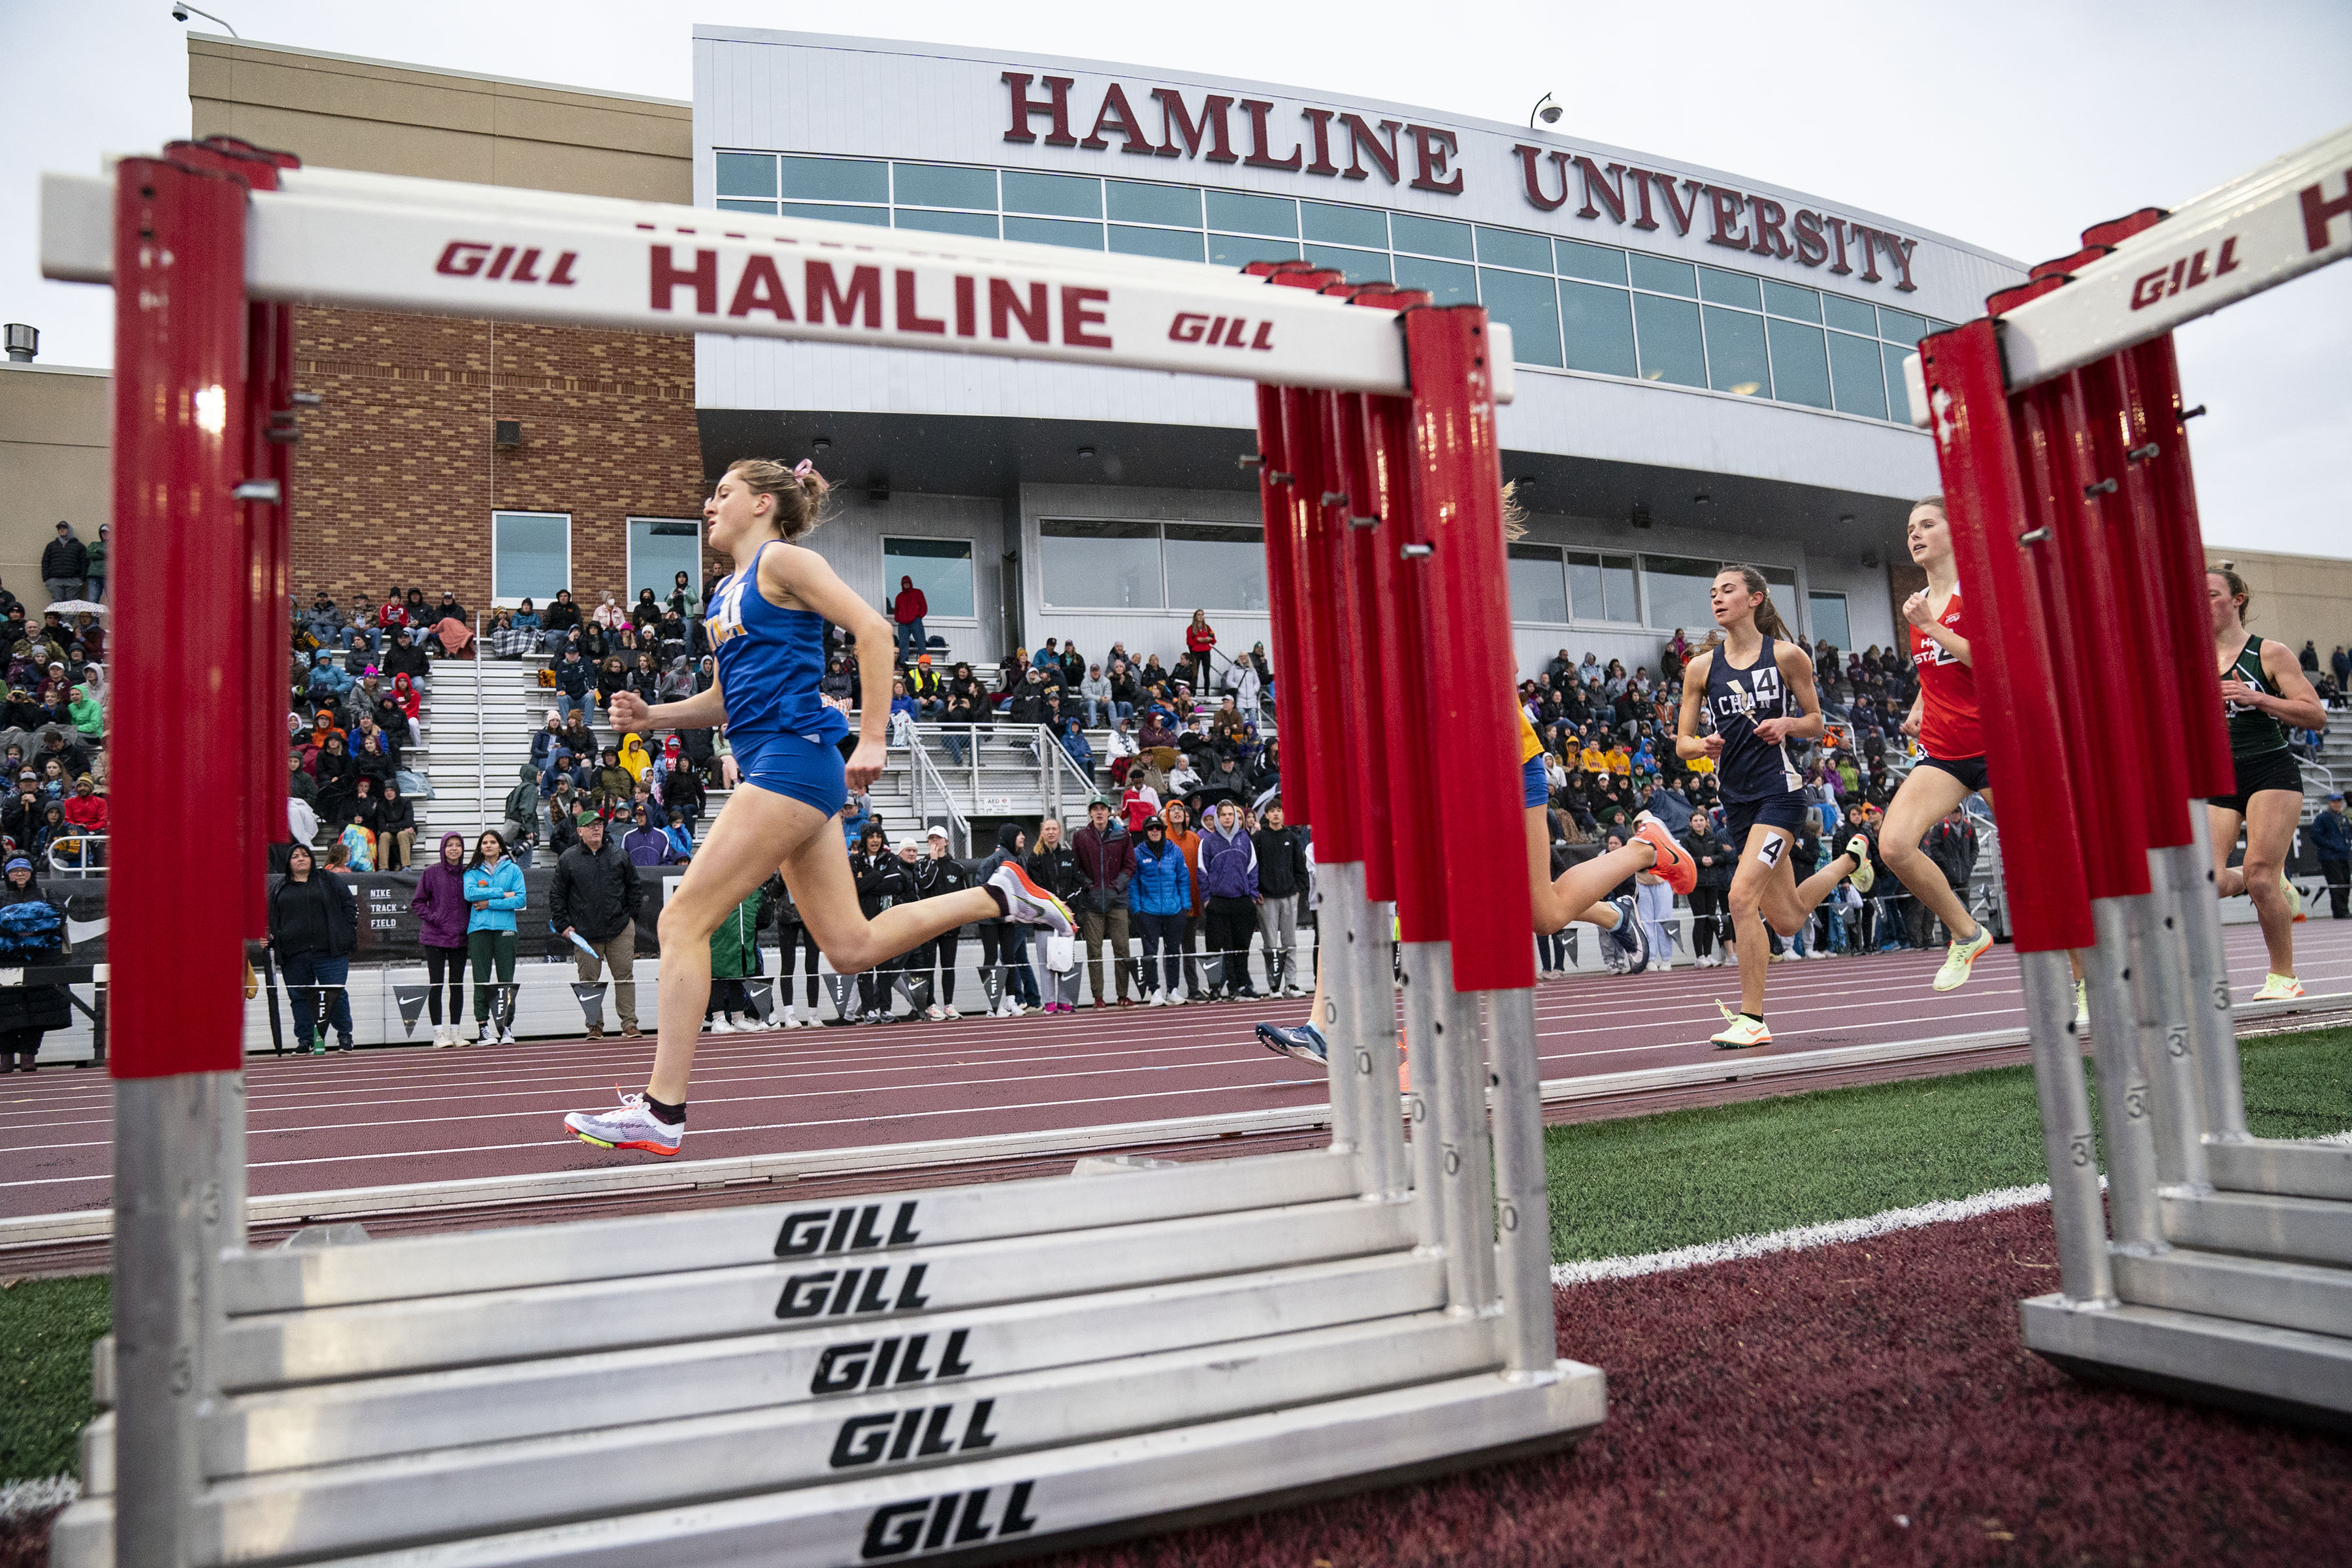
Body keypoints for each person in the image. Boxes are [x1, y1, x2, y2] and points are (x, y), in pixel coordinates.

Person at [564, 460, 1070, 1156]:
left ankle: (662, 1109)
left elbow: (873, 631)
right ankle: (996, 895)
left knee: (684, 919)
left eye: (723, 494)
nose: (709, 507)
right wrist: (653, 715)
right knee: (851, 947)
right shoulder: (723, 596)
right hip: (789, 764)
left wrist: (871, 735)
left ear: (763, 504)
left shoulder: (785, 561)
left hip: (793, 759)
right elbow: (723, 699)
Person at [1675, 565, 1873, 1049]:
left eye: (1728, 590)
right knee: (1786, 919)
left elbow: (1816, 722)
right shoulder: (1701, 668)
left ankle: (1752, 1020)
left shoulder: (1787, 656)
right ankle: (1854, 859)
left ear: (1755, 599)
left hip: (1780, 796)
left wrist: (1785, 723)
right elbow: (1681, 744)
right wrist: (1704, 746)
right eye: (1712, 592)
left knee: (1740, 897)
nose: (1717, 599)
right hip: (1737, 802)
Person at [2208, 566, 2328, 1000]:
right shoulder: (2192, 658)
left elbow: (2315, 714)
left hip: (2269, 769)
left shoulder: (2269, 653)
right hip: (2218, 773)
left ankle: (2284, 977)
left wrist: (2257, 698)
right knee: (2205, 882)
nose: (2203, 604)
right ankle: (2272, 880)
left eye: (2212, 594)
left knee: (2260, 875)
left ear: (2237, 599)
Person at [551, 812, 644, 1041]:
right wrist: (564, 925)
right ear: (580, 831)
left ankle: (630, 1024)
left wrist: (630, 918)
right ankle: (594, 1025)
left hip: (620, 928)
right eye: (590, 826)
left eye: (600, 825)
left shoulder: (619, 855)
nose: (596, 829)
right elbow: (557, 895)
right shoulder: (568, 859)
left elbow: (634, 887)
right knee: (589, 980)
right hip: (584, 933)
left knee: (624, 976)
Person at [266, 841, 357, 1055]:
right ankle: (305, 1040)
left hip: (330, 953)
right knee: (298, 997)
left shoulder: (328, 879)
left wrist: (345, 929)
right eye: (295, 856)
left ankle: (345, 1036)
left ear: (312, 859)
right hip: (294, 956)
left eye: (305, 855)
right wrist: (269, 935)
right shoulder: (279, 888)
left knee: (336, 994)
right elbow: (270, 920)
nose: (301, 858)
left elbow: (349, 905)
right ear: (288, 863)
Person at [0, 858, 69, 1071]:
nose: (20, 874)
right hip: (6, 961)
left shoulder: (48, 893)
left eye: (24, 870)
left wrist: (16, 922)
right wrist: (28, 922)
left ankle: (29, 1056)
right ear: (7, 875)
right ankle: (5, 1059)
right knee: (4, 1010)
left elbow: (58, 916)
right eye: (15, 871)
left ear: (31, 873)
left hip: (42, 960)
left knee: (39, 1010)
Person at [1071, 797, 1136, 1007]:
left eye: (1103, 809)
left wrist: (1116, 886)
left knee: (1122, 949)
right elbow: (1076, 868)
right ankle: (1098, 997)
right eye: (1095, 809)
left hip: (1118, 901)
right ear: (1090, 813)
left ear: (1110, 812)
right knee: (1094, 951)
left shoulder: (1122, 834)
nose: (1099, 813)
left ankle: (1122, 995)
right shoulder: (1081, 836)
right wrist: (1090, 886)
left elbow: (1130, 866)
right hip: (1092, 903)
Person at [464, 830, 527, 1046]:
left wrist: (490, 902)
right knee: (481, 979)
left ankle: (506, 1027)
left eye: (493, 842)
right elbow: (470, 895)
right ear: (480, 848)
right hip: (478, 930)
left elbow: (520, 900)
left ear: (500, 846)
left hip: (506, 930)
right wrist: (502, 893)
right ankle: (483, 1028)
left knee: (506, 980)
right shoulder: (472, 871)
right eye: (485, 843)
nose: (489, 845)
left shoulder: (514, 869)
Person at [410, 832, 472, 1047]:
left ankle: (455, 1032)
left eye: (458, 845)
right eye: (450, 845)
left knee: (457, 985)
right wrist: (435, 918)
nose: (454, 849)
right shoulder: (431, 872)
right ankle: (438, 1034)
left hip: (460, 939)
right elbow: (418, 903)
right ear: (443, 848)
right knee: (436, 985)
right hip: (434, 937)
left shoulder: (469, 873)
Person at [1130, 815, 1197, 1006]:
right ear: (1146, 831)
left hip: (1174, 910)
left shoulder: (1175, 851)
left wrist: (1185, 906)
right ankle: (1155, 991)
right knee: (1150, 952)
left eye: (1158, 828)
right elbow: (1133, 884)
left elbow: (1184, 879)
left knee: (1173, 951)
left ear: (1163, 830)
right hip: (1148, 911)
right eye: (1151, 829)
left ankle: (1173, 990)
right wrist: (1138, 910)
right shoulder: (1138, 853)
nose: (1154, 832)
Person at [1198, 800, 1261, 1000]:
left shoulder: (1246, 839)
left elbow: (1253, 869)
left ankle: (1241, 986)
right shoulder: (1208, 841)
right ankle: (1215, 988)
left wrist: (1251, 896)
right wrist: (1207, 899)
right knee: (1214, 947)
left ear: (1236, 817)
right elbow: (1201, 871)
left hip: (1242, 901)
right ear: (1217, 817)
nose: (1227, 818)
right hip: (1218, 902)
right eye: (1223, 814)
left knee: (1241, 947)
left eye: (1230, 814)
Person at [1023, 817, 1085, 1013]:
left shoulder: (1069, 855)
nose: (1051, 832)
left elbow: (1077, 881)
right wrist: (1053, 907)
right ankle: (1049, 1001)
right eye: (1047, 829)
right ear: (1042, 832)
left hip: (1066, 918)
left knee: (1065, 959)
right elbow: (1036, 888)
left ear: (1059, 832)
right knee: (1046, 962)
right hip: (1045, 919)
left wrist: (1067, 906)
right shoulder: (1035, 858)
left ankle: (1065, 1000)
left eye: (1054, 829)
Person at [1251, 798, 1309, 996]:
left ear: (1284, 814)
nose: (1276, 814)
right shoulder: (1258, 838)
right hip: (1266, 898)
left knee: (1290, 942)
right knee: (1270, 945)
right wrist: (1256, 889)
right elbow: (1253, 867)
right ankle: (1274, 985)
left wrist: (1298, 889)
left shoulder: (1291, 838)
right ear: (1266, 815)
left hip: (1289, 896)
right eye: (1272, 811)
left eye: (1279, 810)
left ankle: (1291, 984)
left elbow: (1300, 867)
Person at [705, 879, 769, 1034]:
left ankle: (738, 1018)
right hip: (721, 934)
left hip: (741, 932)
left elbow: (757, 899)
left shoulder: (747, 880)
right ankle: (718, 1018)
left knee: (738, 972)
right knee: (719, 973)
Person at [2311, 792, 2349, 921]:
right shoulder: (2323, 818)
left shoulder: (2343, 818)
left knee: (2345, 882)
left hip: (2343, 855)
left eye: (2339, 802)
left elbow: (2347, 835)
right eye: (2335, 802)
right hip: (2329, 857)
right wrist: (2331, 845)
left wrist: (2346, 846)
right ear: (2330, 803)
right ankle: (2341, 911)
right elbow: (2315, 836)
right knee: (2337, 883)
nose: (2338, 804)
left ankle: (2344, 910)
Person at [41, 522, 88, 606]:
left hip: (73, 581)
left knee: (71, 606)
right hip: (55, 581)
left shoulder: (79, 546)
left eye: (64, 528)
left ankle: (68, 621)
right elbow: (45, 562)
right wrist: (46, 578)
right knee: (57, 606)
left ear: (69, 530)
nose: (61, 530)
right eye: (59, 528)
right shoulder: (51, 546)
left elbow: (84, 562)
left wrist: (81, 579)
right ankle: (59, 620)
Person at [891, 573, 928, 662]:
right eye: (904, 583)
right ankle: (904, 664)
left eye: (907, 583)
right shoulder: (899, 596)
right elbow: (897, 609)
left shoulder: (918, 592)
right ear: (902, 585)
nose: (906, 585)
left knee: (920, 642)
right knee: (903, 644)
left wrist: (919, 616)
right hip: (903, 624)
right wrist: (898, 618)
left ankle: (924, 661)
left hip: (915, 621)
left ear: (910, 583)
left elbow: (924, 605)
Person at [1183, 610, 1217, 694]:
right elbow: (1189, 642)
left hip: (1206, 651)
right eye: (1199, 615)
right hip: (1196, 652)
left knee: (1206, 672)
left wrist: (1210, 639)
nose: (1201, 616)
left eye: (1202, 615)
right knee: (1195, 672)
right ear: (1195, 616)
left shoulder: (1207, 628)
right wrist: (1197, 639)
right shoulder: (1191, 628)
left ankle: (1207, 692)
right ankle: (1193, 692)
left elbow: (1213, 640)